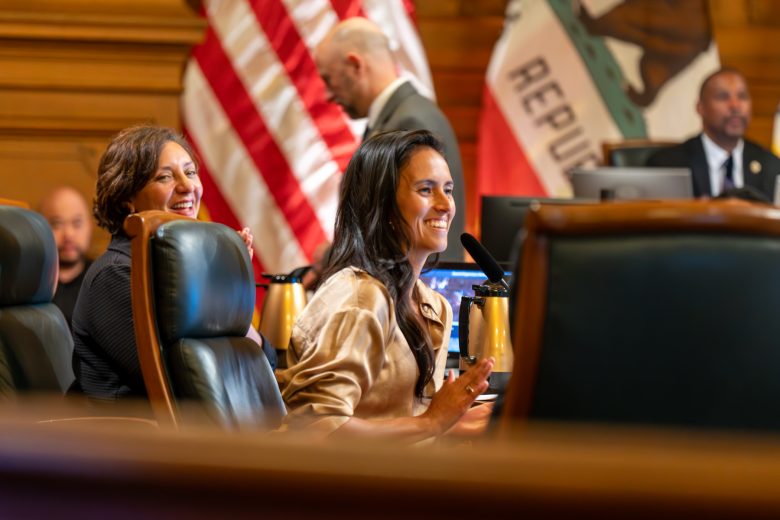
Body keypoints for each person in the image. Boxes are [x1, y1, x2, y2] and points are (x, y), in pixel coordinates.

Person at [279, 130, 494, 442]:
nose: (445, 204)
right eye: (425, 190)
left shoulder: (433, 305)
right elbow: (317, 430)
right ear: (384, 205)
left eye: (448, 190)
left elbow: (400, 422)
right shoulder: (359, 298)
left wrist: (451, 422)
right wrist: (432, 423)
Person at [71, 125, 274, 402]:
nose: (188, 186)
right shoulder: (114, 275)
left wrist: (228, 289)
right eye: (165, 176)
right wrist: (216, 293)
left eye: (190, 172)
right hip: (129, 438)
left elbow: (265, 363)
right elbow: (178, 383)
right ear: (127, 198)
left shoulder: (183, 272)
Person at [314, 17, 466, 261]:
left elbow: (388, 231)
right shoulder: (400, 117)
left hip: (411, 291)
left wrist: (328, 258)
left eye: (328, 79)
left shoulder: (409, 124)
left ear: (355, 65)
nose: (328, 95)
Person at [647, 68, 780, 199]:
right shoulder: (668, 165)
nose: (735, 105)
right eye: (723, 97)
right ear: (700, 108)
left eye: (742, 96)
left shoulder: (772, 166)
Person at [38, 186, 93, 329]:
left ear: (90, 226)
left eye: (77, 223)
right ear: (40, 227)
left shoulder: (103, 280)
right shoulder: (27, 282)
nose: (68, 234)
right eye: (57, 224)